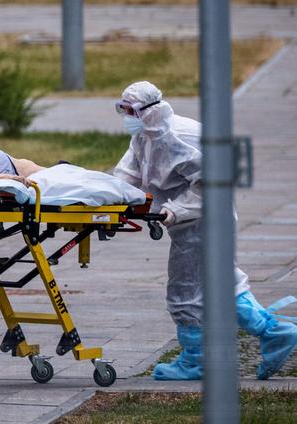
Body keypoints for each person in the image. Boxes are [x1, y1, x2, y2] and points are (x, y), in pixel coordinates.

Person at [113, 80, 297, 381]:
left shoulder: (181, 137)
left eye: (130, 110)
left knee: (184, 290)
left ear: (149, 110)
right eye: (122, 110)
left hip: (205, 220)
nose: (126, 117)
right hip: (190, 223)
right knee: (221, 282)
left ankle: (196, 361)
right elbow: (128, 173)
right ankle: (275, 333)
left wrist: (176, 210)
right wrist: (108, 195)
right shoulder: (145, 136)